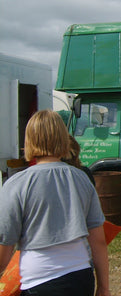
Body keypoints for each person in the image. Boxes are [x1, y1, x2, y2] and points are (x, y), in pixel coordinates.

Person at [0, 110, 111, 296]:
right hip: (80, 276)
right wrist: (104, 287)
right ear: (63, 139)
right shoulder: (82, 179)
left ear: (29, 140)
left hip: (38, 280)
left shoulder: (16, 184)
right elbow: (98, 240)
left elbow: (5, 245)